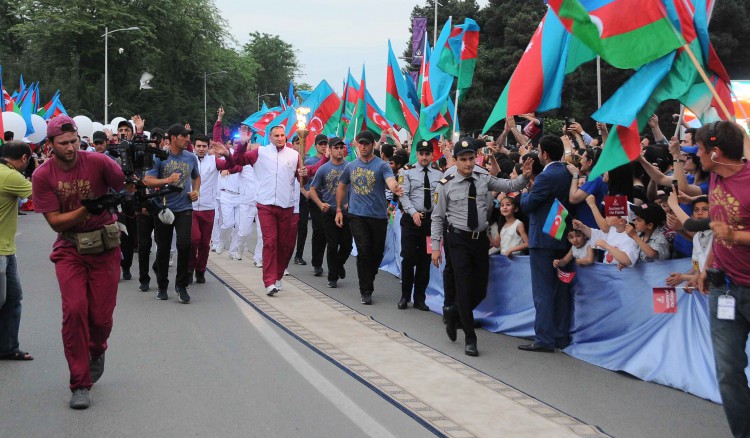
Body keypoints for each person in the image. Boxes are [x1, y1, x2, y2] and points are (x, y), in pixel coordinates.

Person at [32, 115, 126, 409]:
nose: (71, 147)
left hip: (104, 248)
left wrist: (128, 172)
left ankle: (97, 350)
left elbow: (124, 181)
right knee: (74, 311)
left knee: (101, 317)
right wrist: (87, 209)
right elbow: (57, 223)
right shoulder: (43, 176)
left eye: (74, 141)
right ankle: (79, 383)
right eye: (63, 143)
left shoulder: (98, 161)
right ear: (50, 145)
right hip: (70, 249)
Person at [432, 138, 531, 356]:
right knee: (464, 286)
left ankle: (454, 311)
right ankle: (469, 336)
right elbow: (437, 217)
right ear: (455, 160)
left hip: (480, 240)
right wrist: (436, 247)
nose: (468, 163)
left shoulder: (483, 177)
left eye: (471, 158)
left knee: (480, 288)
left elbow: (509, 186)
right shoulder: (445, 183)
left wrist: (524, 175)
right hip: (458, 240)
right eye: (463, 159)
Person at [213, 125, 327, 296]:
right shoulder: (261, 153)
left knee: (285, 245)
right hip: (265, 204)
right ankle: (269, 281)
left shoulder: (294, 155)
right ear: (270, 137)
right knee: (270, 242)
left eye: (282, 135)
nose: (279, 138)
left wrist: (321, 162)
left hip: (286, 205)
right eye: (276, 135)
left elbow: (306, 174)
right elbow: (238, 161)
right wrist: (242, 145)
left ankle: (278, 275)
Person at [694, 121, 750, 438]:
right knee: (728, 372)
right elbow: (718, 227)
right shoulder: (715, 175)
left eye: (700, 150)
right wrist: (707, 267)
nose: (696, 154)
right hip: (723, 287)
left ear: (715, 153)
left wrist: (736, 235)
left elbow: (729, 230)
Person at [518, 135, 574, 353]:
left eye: (539, 150)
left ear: (545, 154)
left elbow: (528, 204)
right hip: (562, 238)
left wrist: (525, 192)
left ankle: (543, 338)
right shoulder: (568, 172)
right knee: (560, 291)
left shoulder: (546, 176)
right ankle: (560, 336)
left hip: (542, 241)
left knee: (542, 292)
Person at [335, 130, 403, 305]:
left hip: (379, 216)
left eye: (366, 143)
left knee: (377, 253)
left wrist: (395, 187)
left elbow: (390, 180)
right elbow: (342, 186)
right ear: (357, 145)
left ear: (373, 145)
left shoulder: (382, 165)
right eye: (361, 143)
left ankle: (369, 276)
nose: (363, 146)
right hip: (357, 216)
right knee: (364, 250)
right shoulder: (350, 166)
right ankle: (365, 290)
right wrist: (339, 209)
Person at [143, 124, 200, 303]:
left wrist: (196, 191)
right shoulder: (160, 156)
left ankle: (181, 286)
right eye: (184, 136)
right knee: (164, 248)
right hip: (163, 208)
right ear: (173, 138)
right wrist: (168, 180)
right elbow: (148, 180)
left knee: (185, 244)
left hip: (185, 208)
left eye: (188, 136)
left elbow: (196, 176)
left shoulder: (191, 157)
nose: (188, 139)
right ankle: (162, 285)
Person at [397, 140, 442, 310]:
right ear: (417, 154)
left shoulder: (438, 175)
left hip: (429, 222)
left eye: (427, 153)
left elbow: (439, 199)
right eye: (421, 153)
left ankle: (420, 298)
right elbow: (403, 195)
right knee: (408, 258)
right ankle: (405, 296)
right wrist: (413, 212)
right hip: (411, 220)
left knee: (425, 260)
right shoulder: (406, 172)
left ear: (432, 155)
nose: (424, 157)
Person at [0, 141, 34, 362]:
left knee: (13, 298)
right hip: (1, 250)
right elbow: (43, 194)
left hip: (7, 249)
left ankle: (8, 347)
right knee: (3, 299)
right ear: (23, 159)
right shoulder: (11, 177)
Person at [309, 137, 351, 288]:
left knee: (347, 246)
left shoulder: (350, 167)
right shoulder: (324, 168)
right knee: (332, 245)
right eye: (336, 148)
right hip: (329, 212)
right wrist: (320, 204)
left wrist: (350, 203)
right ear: (331, 150)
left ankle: (338, 265)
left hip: (346, 213)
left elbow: (356, 189)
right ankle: (332, 277)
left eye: (341, 148)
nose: (339, 150)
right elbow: (312, 189)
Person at [573, 195, 640, 269]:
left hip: (621, 277)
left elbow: (627, 260)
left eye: (611, 214)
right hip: (609, 273)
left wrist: (606, 246)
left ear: (621, 221)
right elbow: (595, 235)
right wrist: (582, 227)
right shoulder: (613, 230)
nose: (607, 215)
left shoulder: (631, 236)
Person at [296, 134, 328, 276]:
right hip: (315, 200)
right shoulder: (309, 161)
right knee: (319, 231)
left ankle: (334, 264)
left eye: (325, 144)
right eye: (320, 144)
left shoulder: (332, 161)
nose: (323, 146)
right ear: (315, 146)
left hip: (330, 200)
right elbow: (303, 180)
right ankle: (317, 263)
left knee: (331, 235)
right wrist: (306, 192)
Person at [188, 135, 219, 284]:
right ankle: (189, 268)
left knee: (205, 243)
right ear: (194, 146)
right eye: (198, 146)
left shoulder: (214, 161)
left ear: (208, 147)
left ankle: (200, 270)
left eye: (204, 146)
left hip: (208, 207)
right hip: (191, 207)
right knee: (194, 239)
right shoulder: (188, 160)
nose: (201, 149)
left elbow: (233, 164)